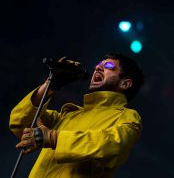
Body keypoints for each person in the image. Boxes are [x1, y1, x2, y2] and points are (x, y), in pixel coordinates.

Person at [9, 53, 144, 178]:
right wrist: (50, 85)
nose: (98, 68)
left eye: (108, 66)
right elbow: (20, 122)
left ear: (125, 83)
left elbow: (113, 146)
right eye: (98, 64)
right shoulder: (68, 115)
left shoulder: (127, 117)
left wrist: (53, 138)